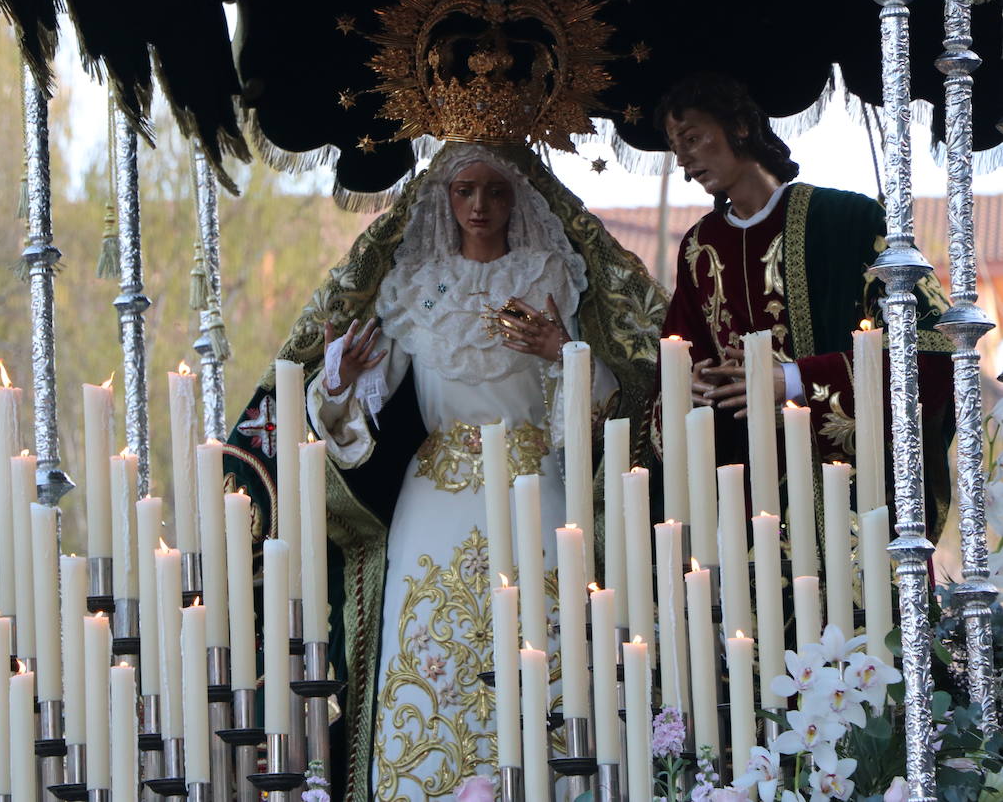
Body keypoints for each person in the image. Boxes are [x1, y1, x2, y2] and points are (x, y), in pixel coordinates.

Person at [225, 142, 666, 800]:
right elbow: (359, 399)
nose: (480, 205)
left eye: (494, 190)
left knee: (544, 642)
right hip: (436, 493)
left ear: (516, 199)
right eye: (465, 191)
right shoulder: (416, 288)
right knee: (431, 644)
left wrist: (561, 351)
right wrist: (338, 383)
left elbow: (597, 410)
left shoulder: (547, 275)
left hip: (532, 485)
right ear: (445, 200)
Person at [654, 72, 954, 529]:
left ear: (739, 127)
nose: (685, 159)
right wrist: (693, 384)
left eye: (693, 138)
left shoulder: (847, 220)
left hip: (855, 498)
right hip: (750, 504)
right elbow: (678, 357)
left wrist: (792, 380)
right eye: (677, 148)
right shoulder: (698, 248)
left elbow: (929, 344)